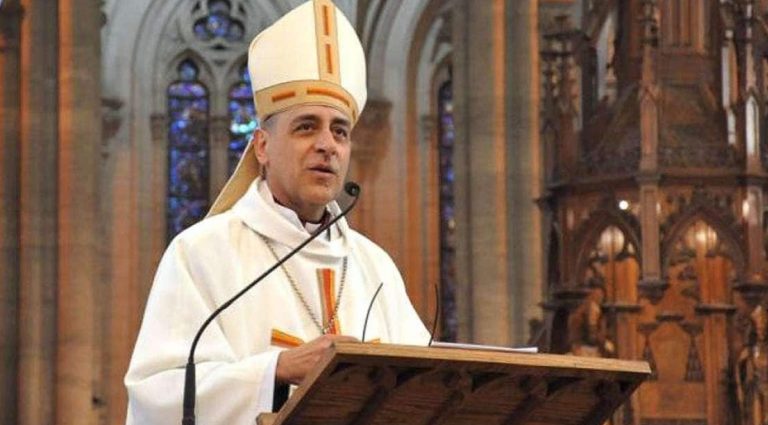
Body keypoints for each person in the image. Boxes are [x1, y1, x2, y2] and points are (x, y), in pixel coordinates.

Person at [124, 1, 429, 423]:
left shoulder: (373, 267)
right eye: (307, 126)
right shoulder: (201, 253)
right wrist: (277, 370)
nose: (327, 145)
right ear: (262, 147)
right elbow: (157, 395)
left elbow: (426, 390)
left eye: (340, 131)